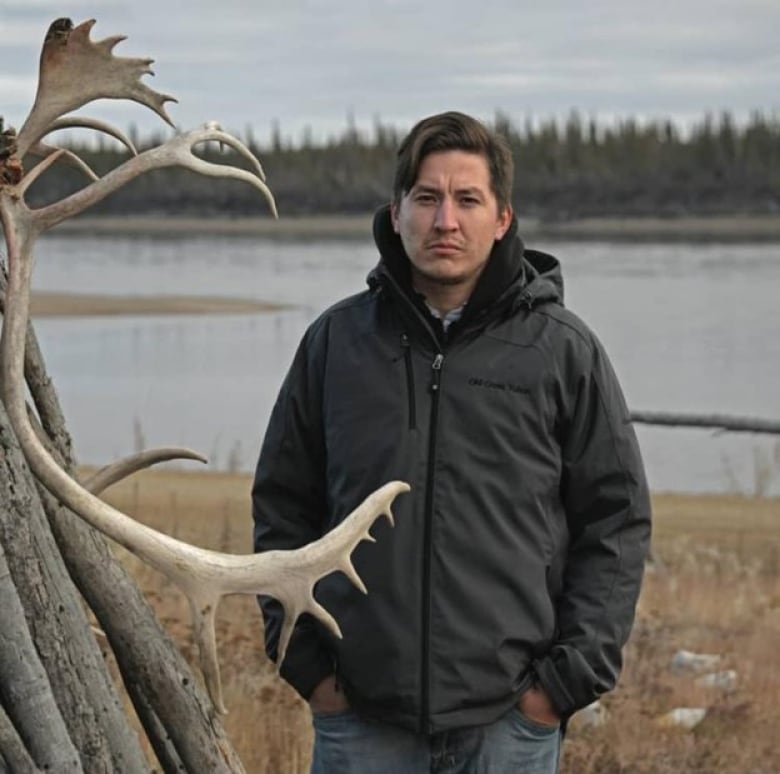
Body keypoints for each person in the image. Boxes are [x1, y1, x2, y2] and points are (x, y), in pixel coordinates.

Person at [252, 111, 651, 773]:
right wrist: (309, 670)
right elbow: (282, 508)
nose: (446, 221)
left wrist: (560, 688)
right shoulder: (336, 344)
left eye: (468, 200)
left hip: (510, 727)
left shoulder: (561, 350)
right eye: (428, 198)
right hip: (361, 721)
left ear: (501, 218)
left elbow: (617, 521)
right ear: (397, 209)